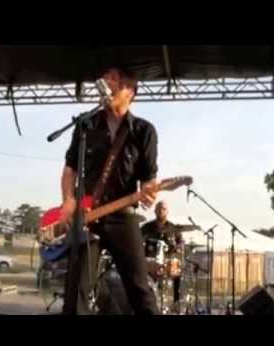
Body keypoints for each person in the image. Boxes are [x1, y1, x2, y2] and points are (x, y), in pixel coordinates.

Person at [60, 67, 160, 315]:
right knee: (75, 294)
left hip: (122, 215)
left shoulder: (144, 131)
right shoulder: (86, 124)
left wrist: (149, 191)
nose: (107, 83)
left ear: (130, 92)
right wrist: (68, 200)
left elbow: (149, 178)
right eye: (106, 79)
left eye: (115, 80)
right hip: (86, 216)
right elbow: (70, 169)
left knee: (140, 291)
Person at [141, 200, 183, 308]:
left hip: (168, 261)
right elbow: (138, 242)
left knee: (177, 271)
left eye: (163, 209)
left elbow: (181, 242)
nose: (161, 211)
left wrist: (177, 248)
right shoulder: (146, 227)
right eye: (159, 209)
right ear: (155, 211)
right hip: (150, 263)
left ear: (167, 211)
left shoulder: (173, 228)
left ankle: (176, 302)